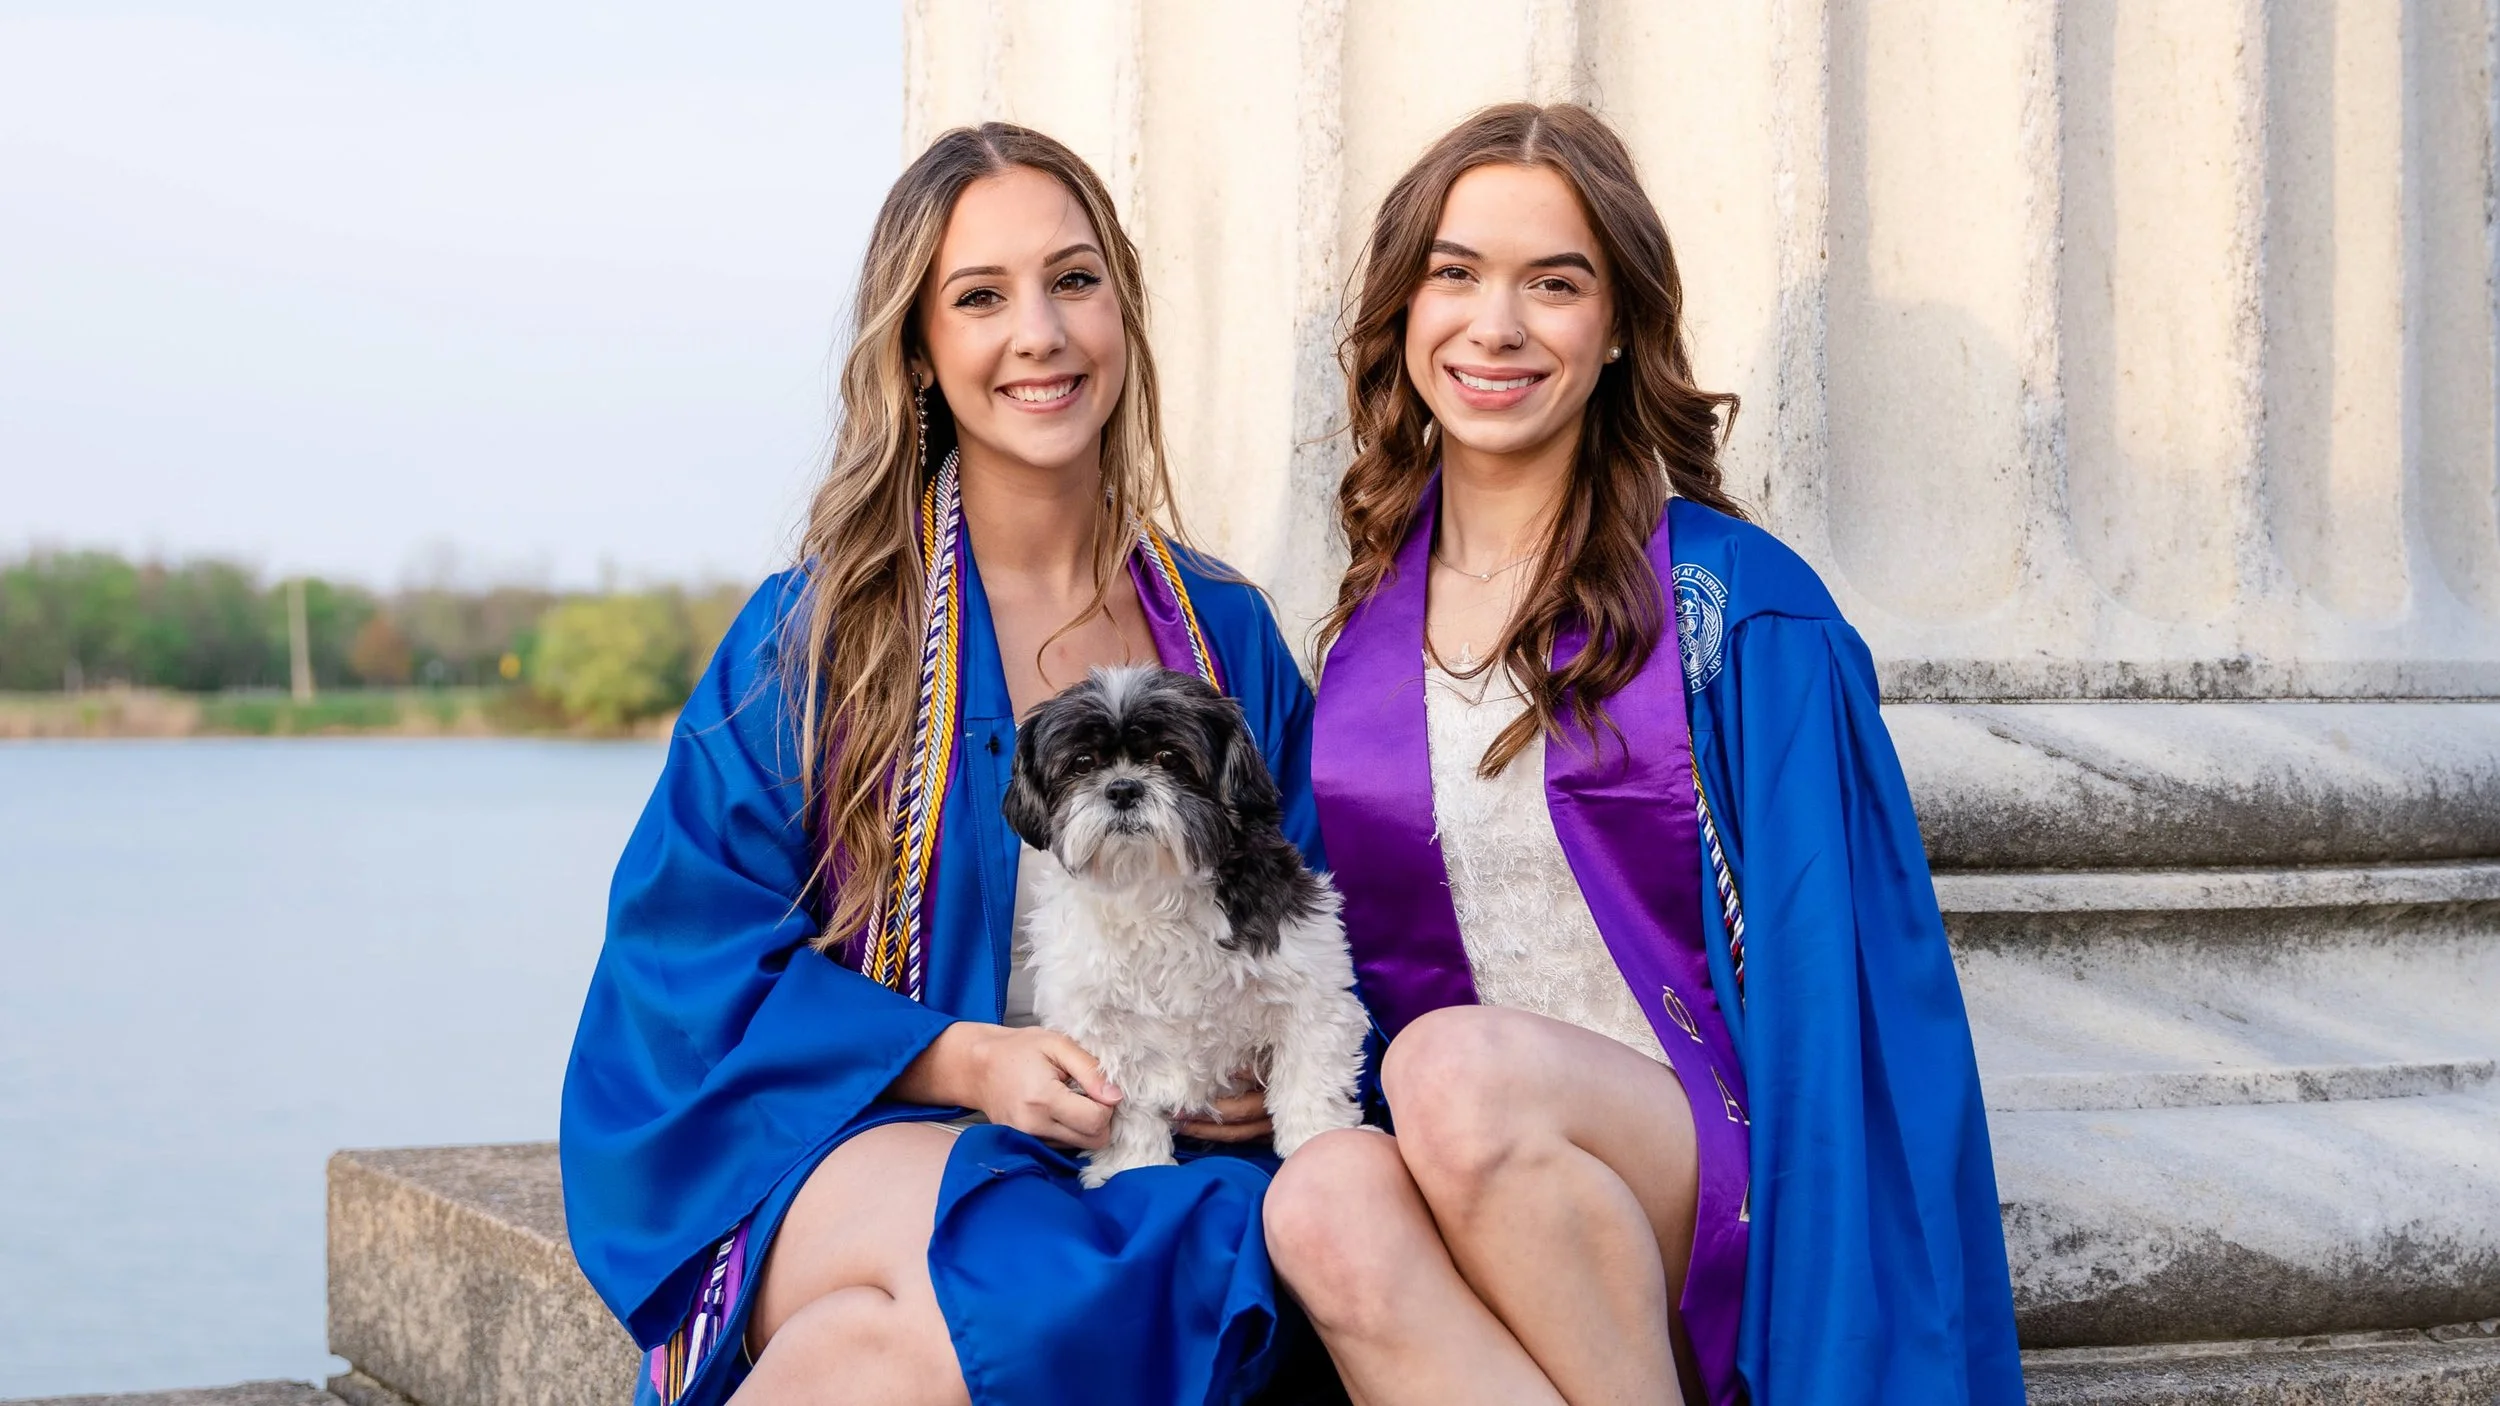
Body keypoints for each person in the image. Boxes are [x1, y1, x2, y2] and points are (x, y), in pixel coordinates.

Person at [1267, 103, 2026, 1406]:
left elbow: (1840, 997)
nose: (1494, 326)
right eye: (1454, 274)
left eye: (1552, 284)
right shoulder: (1366, 643)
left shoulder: (1736, 610)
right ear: (1404, 310)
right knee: (1325, 1196)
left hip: (1713, 1178)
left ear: (1618, 326)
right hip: (1485, 1182)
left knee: (1449, 1068)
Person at [559, 123, 1327, 1406]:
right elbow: (681, 962)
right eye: (980, 297)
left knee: (883, 1347)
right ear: (919, 348)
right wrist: (964, 1059)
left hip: (1158, 1150)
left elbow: (1311, 908)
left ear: (1122, 317)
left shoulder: (1222, 633)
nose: (1039, 333)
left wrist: (1263, 1058)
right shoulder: (817, 639)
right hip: (881, 1132)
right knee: (1025, 1263)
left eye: (1074, 281)